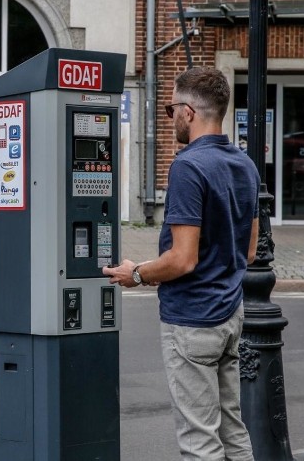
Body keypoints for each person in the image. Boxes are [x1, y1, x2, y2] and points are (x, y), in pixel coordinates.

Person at [103, 67, 259, 461]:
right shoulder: (244, 164)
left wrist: (134, 273)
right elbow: (250, 251)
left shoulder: (189, 167)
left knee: (200, 443)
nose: (170, 116)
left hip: (193, 319)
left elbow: (182, 258)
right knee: (233, 431)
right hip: (229, 314)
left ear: (188, 112)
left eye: (172, 107)